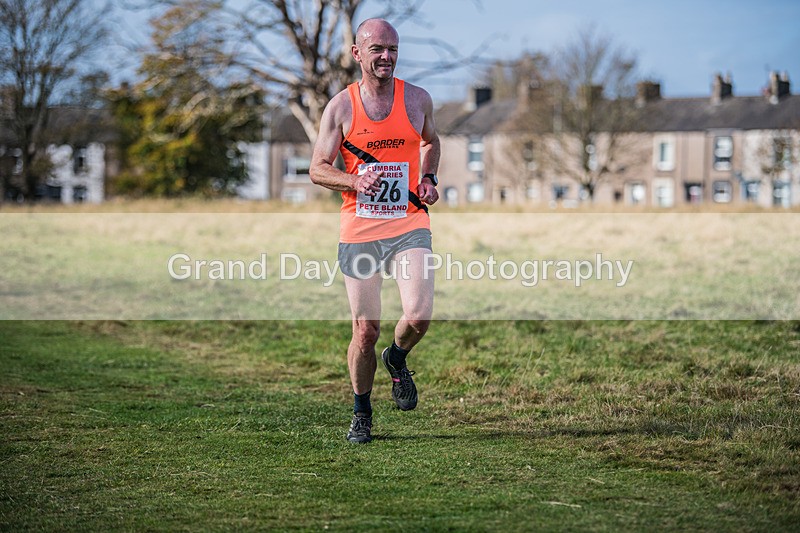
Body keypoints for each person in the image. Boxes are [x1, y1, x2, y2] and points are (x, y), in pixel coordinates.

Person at [309, 18, 440, 444]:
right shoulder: (341, 107)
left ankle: (397, 359)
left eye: (393, 49)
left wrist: (429, 178)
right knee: (365, 331)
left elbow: (430, 141)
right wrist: (353, 181)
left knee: (418, 315)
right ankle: (361, 411)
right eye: (378, 49)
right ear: (357, 53)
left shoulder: (417, 98)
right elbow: (317, 169)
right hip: (360, 226)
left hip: (408, 221)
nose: (386, 56)